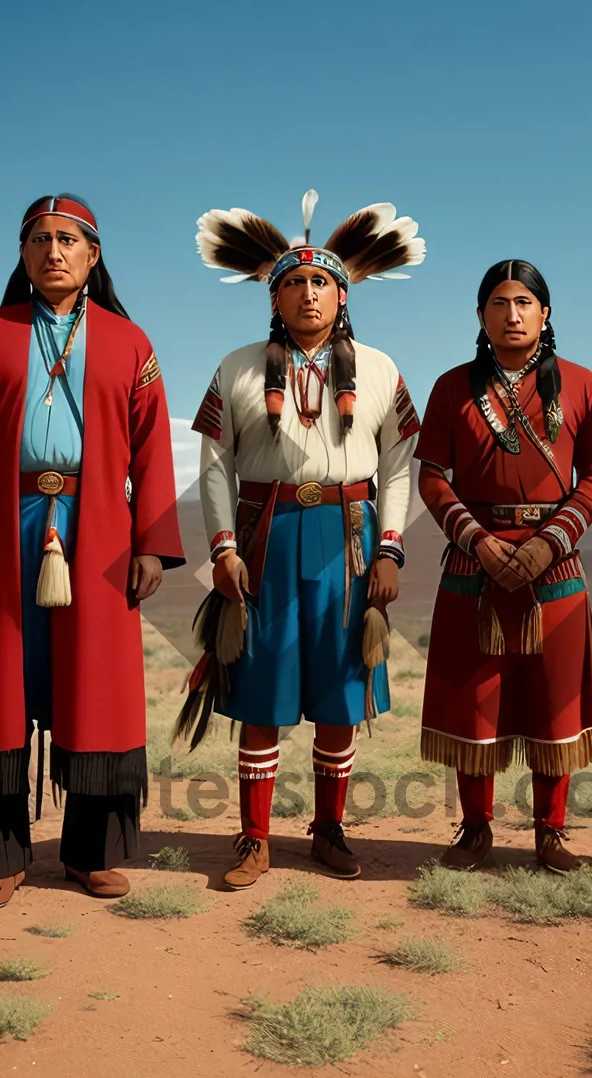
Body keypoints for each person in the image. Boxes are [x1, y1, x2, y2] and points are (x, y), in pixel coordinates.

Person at [0, 193, 184, 912]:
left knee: (92, 687)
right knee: (3, 683)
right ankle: (0, 858)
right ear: (23, 254)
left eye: (67, 239)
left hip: (98, 528)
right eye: (37, 239)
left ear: (93, 255)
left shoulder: (130, 342)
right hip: (2, 529)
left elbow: (152, 450)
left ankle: (91, 854)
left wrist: (153, 546)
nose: (52, 251)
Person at [182, 191, 423, 889]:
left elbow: (401, 465)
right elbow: (216, 466)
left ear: (343, 296)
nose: (307, 293)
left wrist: (390, 549)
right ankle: (254, 837)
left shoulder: (379, 369)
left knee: (339, 689)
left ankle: (327, 830)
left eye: (321, 282)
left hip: (350, 539)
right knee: (262, 686)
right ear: (273, 296)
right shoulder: (237, 367)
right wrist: (223, 548)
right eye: (293, 282)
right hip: (266, 537)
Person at [415, 260, 592, 872]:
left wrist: (549, 541)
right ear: (481, 316)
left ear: (545, 313)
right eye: (498, 303)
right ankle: (475, 828)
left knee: (551, 700)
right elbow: (431, 477)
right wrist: (476, 539)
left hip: (554, 564)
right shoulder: (452, 388)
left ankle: (551, 831)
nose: (512, 313)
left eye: (524, 301)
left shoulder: (581, 384)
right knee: (476, 701)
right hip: (473, 563)